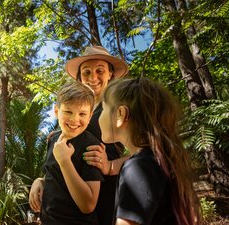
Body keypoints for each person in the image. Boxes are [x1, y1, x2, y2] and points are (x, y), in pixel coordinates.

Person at [29, 46, 129, 225]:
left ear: (110, 74)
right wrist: (43, 180)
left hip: (106, 196)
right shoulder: (75, 115)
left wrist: (110, 165)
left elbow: (150, 151)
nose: (93, 78)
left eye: (100, 71)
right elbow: (69, 160)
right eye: (86, 72)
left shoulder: (119, 108)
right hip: (70, 204)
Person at [99, 77, 201, 225]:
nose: (98, 116)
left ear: (120, 114)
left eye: (103, 108)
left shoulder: (139, 167)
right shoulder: (158, 161)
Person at [37, 81, 104, 225]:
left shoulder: (91, 146)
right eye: (68, 111)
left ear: (90, 116)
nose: (75, 119)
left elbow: (88, 205)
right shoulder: (53, 139)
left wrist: (65, 161)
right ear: (56, 111)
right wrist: (39, 181)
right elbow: (53, 174)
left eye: (82, 114)